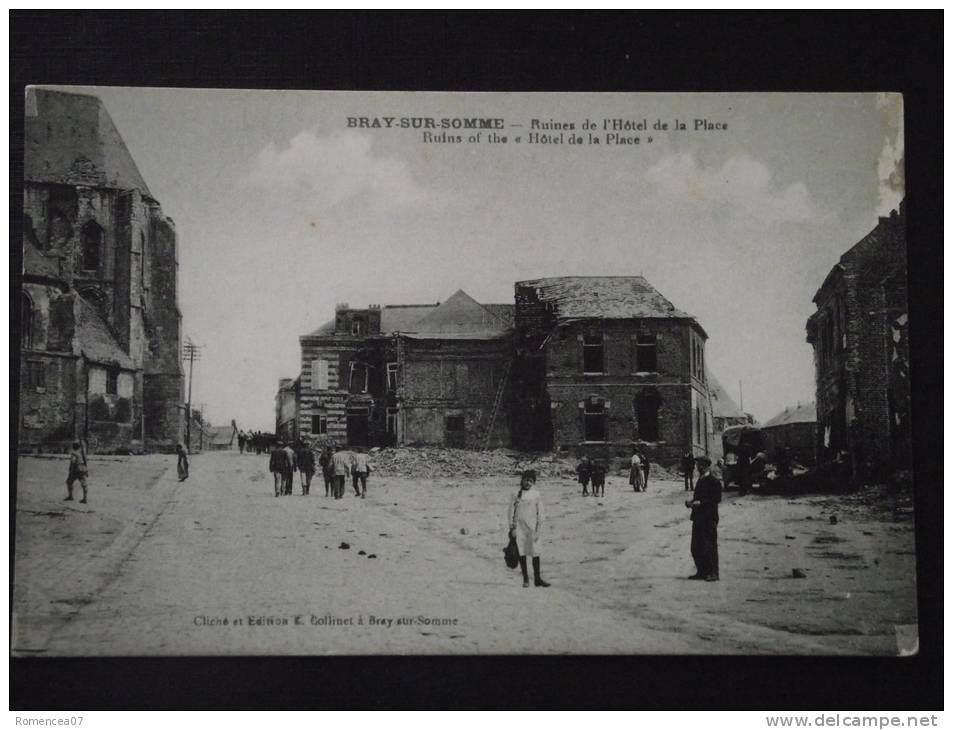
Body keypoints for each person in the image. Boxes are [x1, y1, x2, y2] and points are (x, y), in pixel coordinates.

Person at [506, 470, 550, 588]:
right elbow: (510, 512)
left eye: (531, 481)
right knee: (521, 552)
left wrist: (538, 531)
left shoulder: (536, 494)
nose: (528, 483)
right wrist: (512, 528)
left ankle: (537, 579)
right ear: (522, 480)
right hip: (519, 528)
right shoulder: (515, 493)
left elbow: (541, 514)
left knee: (535, 553)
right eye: (526, 480)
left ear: (533, 482)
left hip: (532, 527)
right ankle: (525, 579)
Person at [685, 455, 722, 582]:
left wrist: (701, 503)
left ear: (704, 466)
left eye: (698, 464)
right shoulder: (701, 479)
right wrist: (691, 502)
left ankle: (713, 572)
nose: (696, 466)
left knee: (709, 545)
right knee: (696, 546)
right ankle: (702, 571)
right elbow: (699, 497)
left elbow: (716, 499)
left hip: (709, 517)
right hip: (698, 517)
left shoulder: (713, 480)